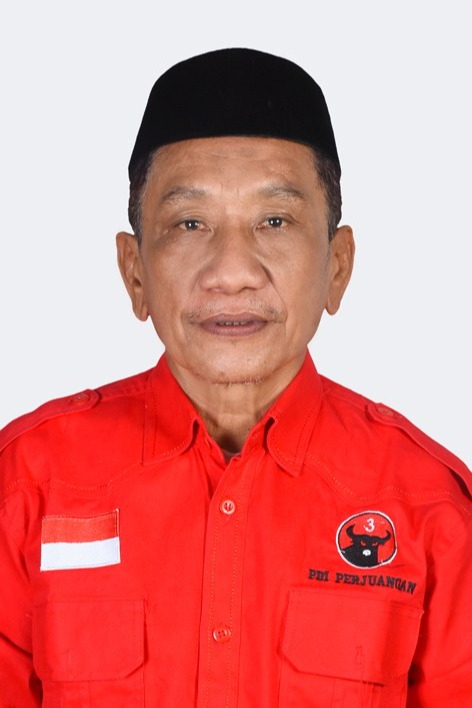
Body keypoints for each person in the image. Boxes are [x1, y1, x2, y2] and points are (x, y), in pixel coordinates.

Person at [0, 48, 470, 707]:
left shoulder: (429, 507)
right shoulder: (26, 485)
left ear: (337, 267)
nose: (231, 272)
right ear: (135, 273)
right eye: (189, 223)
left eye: (275, 221)